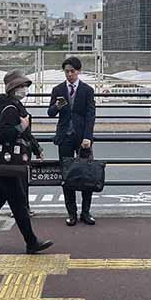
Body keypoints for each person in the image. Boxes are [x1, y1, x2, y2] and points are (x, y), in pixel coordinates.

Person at [0, 70, 53, 255]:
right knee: (18, 203)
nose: (25, 89)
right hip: (8, 165)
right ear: (13, 88)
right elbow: (3, 134)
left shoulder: (12, 106)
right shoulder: (10, 108)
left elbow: (25, 133)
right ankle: (31, 241)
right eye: (22, 86)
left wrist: (36, 147)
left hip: (3, 165)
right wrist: (21, 126)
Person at [48, 56, 97, 226]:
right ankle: (71, 213)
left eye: (72, 71)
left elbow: (91, 114)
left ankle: (86, 212)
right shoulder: (58, 89)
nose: (69, 74)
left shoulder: (87, 90)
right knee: (67, 175)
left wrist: (88, 136)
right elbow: (50, 113)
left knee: (86, 175)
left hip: (83, 138)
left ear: (79, 71)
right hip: (65, 137)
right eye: (66, 71)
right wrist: (57, 106)